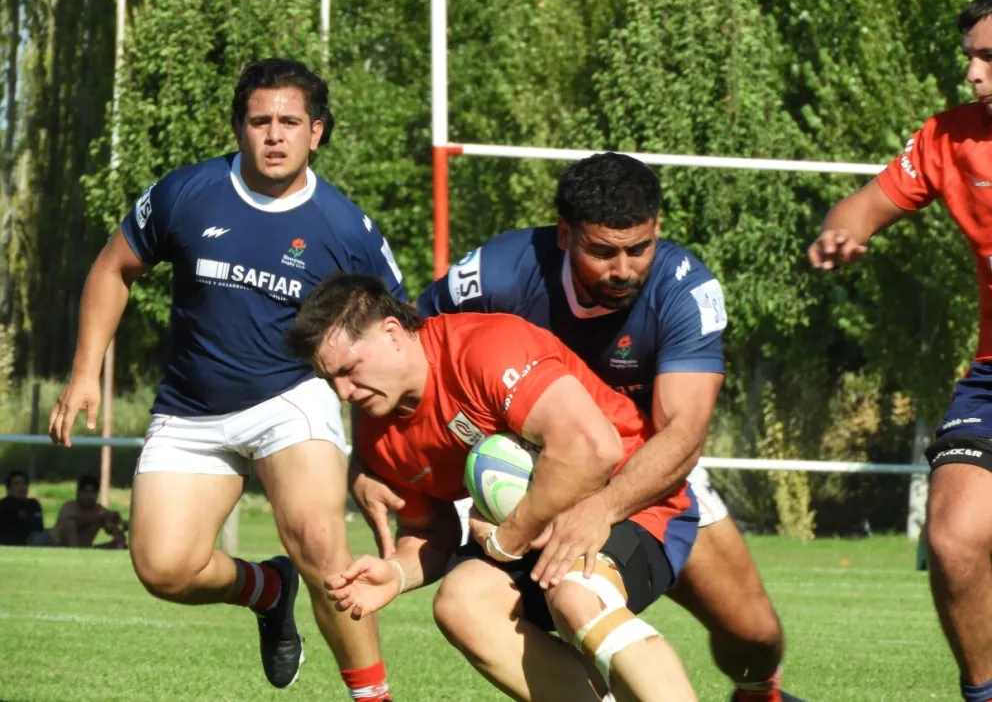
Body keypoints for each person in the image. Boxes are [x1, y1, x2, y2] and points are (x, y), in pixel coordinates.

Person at [353, 152, 801, 702]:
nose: (623, 269)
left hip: (646, 470)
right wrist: (366, 462)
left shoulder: (683, 290)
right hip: (539, 476)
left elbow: (682, 437)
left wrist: (602, 507)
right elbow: (395, 348)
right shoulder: (497, 274)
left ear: (657, 229)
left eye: (639, 248)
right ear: (565, 234)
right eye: (603, 251)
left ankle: (760, 694)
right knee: (501, 602)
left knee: (754, 635)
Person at [48, 58, 402, 699]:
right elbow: (112, 270)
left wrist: (379, 453)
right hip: (191, 405)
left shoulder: (346, 229)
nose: (275, 135)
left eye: (290, 122)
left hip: (289, 397)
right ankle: (268, 590)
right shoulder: (188, 193)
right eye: (260, 121)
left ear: (316, 132)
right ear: (239, 127)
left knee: (321, 545)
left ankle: (373, 696)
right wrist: (84, 374)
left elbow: (397, 341)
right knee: (165, 568)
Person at [287, 273, 701, 702]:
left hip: (629, 500)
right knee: (463, 605)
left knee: (577, 596)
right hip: (537, 530)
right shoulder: (379, 437)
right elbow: (431, 532)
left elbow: (592, 449)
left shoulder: (483, 347)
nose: (343, 392)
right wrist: (396, 573)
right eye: (330, 380)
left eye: (349, 370)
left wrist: (508, 539)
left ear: (392, 333)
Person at [808, 0, 992, 702]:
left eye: (990, 58)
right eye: (970, 58)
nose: (973, 74)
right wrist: (841, 232)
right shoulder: (949, 137)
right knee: (952, 538)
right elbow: (862, 205)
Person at [50, 474, 128, 549]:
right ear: (78, 493)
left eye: (92, 492)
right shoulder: (69, 507)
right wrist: (98, 517)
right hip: (57, 544)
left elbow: (117, 524)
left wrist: (115, 524)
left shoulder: (99, 510)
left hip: (86, 547)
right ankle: (74, 549)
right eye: (86, 492)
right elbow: (69, 521)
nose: (89, 496)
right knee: (69, 524)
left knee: (119, 544)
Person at [0, 469, 49, 546]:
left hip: (38, 536)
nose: (22, 487)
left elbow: (39, 526)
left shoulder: (34, 503)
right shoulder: (5, 505)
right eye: (16, 484)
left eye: (24, 483)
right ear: (9, 489)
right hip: (23, 541)